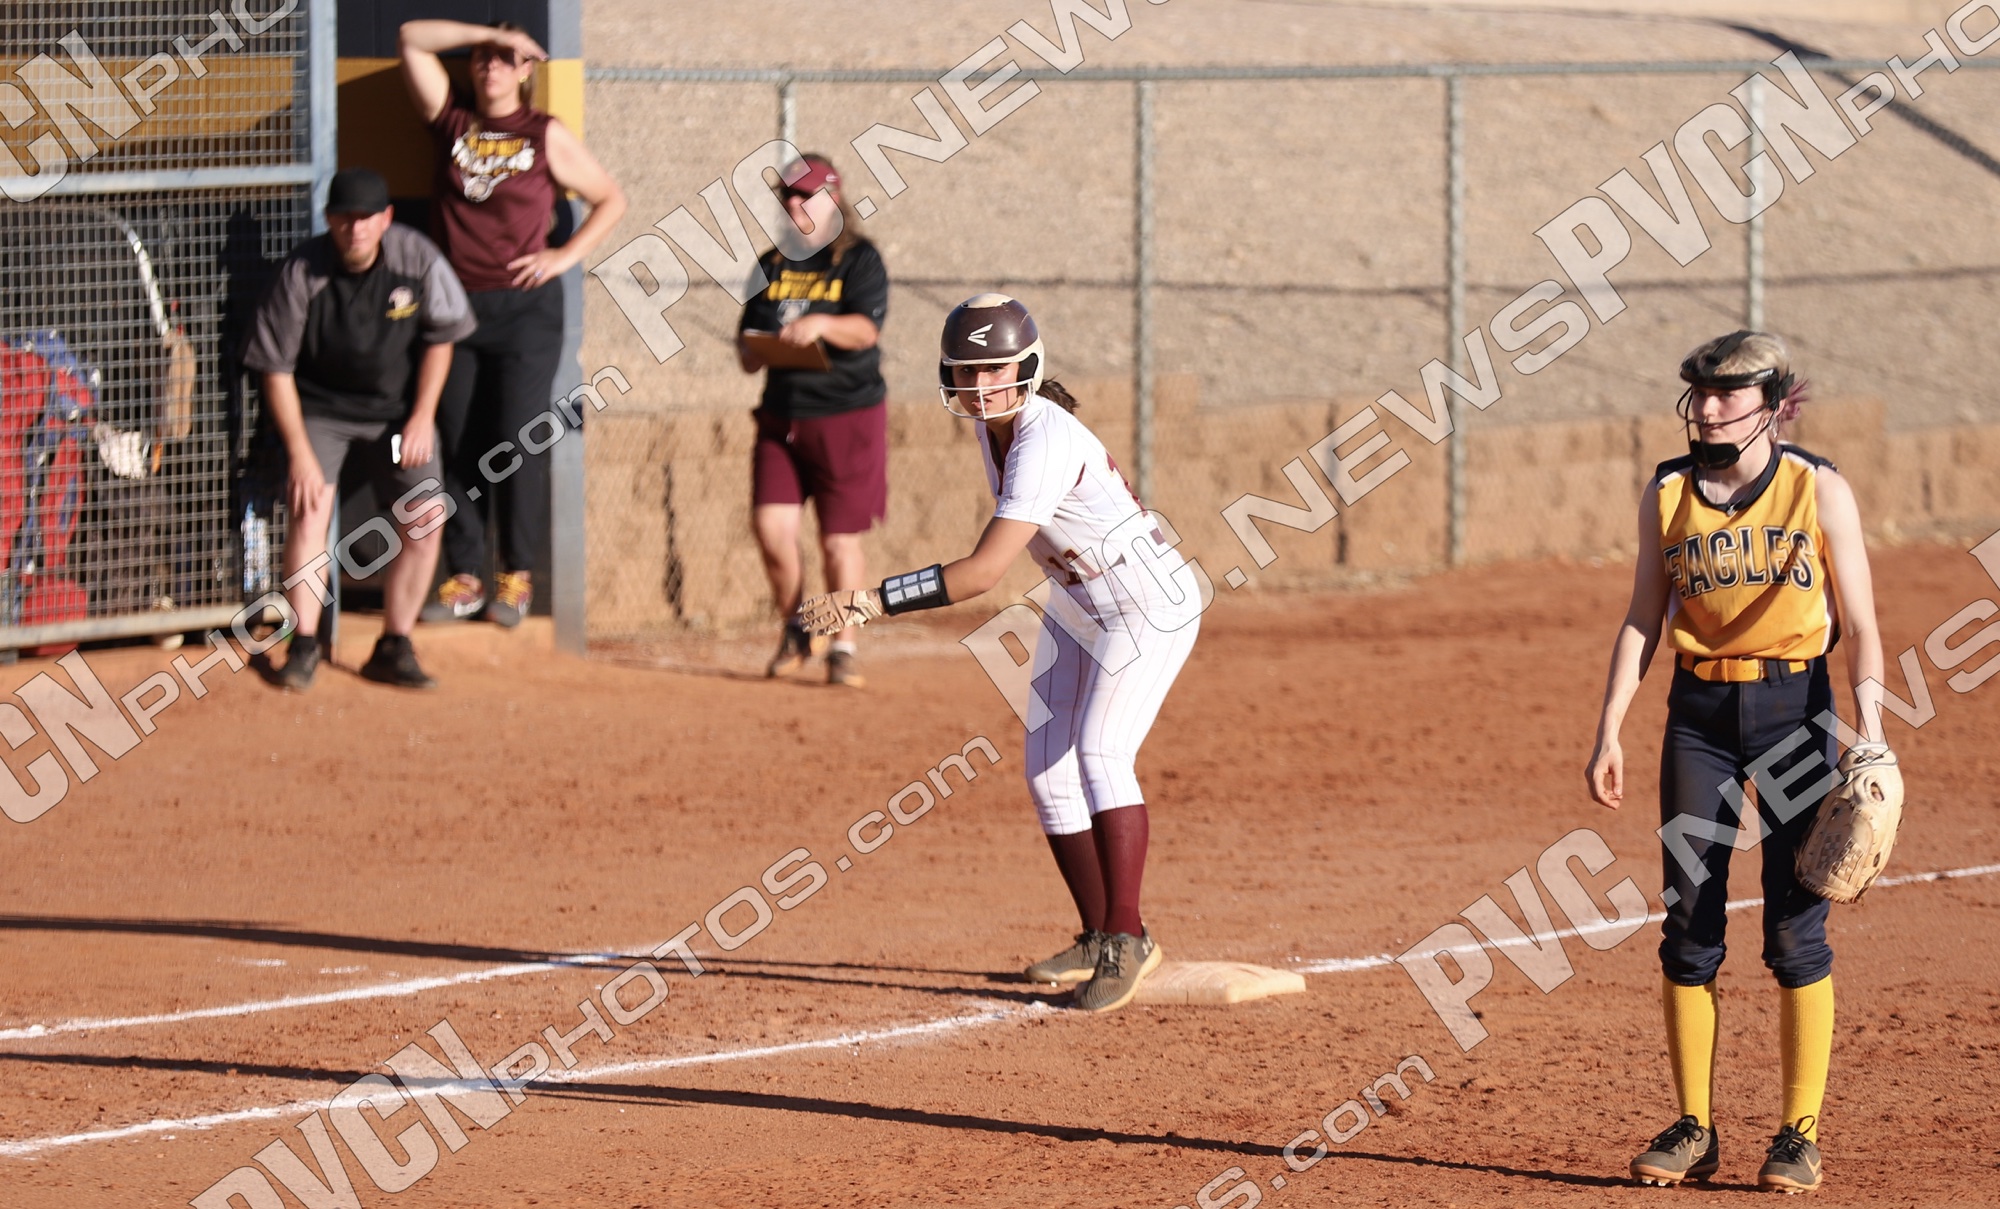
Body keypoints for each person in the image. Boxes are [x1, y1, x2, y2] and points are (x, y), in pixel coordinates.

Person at [795, 295, 1202, 1012]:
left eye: (996, 369)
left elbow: (983, 572)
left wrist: (871, 600)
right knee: (1047, 773)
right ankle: (1098, 932)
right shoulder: (997, 430)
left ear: (1027, 367)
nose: (982, 385)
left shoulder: (1041, 438)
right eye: (968, 370)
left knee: (1100, 753)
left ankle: (1129, 936)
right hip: (1080, 601)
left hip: (1145, 603)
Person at [1585, 331, 1888, 1194]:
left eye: (1727, 392)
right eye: (1701, 391)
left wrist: (1869, 731)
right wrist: (1610, 725)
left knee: (1795, 925)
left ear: (1773, 404)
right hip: (1700, 720)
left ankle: (1799, 1133)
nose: (1708, 407)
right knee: (1689, 923)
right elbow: (1643, 615)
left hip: (1796, 713)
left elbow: (1862, 625)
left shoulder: (1817, 487)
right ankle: (1694, 1126)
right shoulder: (1668, 492)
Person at [398, 19, 627, 627]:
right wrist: (491, 34)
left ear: (526, 70)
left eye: (506, 58)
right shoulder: (451, 121)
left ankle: (516, 576)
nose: (491, 65)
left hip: (526, 311)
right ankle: (465, 575)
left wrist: (563, 256)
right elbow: (411, 37)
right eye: (483, 55)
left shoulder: (543, 132)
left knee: (517, 439)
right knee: (458, 437)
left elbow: (612, 198)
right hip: (456, 310)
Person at [245, 168, 476, 690]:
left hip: (397, 414)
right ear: (329, 219)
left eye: (367, 218)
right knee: (310, 511)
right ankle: (304, 644)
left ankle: (394, 645)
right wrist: (300, 453)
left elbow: (442, 338)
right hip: (321, 412)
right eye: (345, 218)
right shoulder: (302, 271)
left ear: (386, 219)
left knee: (427, 517)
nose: (356, 229)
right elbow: (274, 369)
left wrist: (422, 417)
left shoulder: (417, 259)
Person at [738, 154, 889, 688]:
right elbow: (746, 348)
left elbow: (865, 332)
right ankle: (798, 628)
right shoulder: (772, 264)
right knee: (771, 528)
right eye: (788, 196)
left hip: (847, 417)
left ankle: (843, 647)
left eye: (805, 195)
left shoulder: (859, 260)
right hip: (782, 417)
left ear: (833, 199)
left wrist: (821, 324)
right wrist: (759, 348)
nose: (794, 204)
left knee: (837, 541)